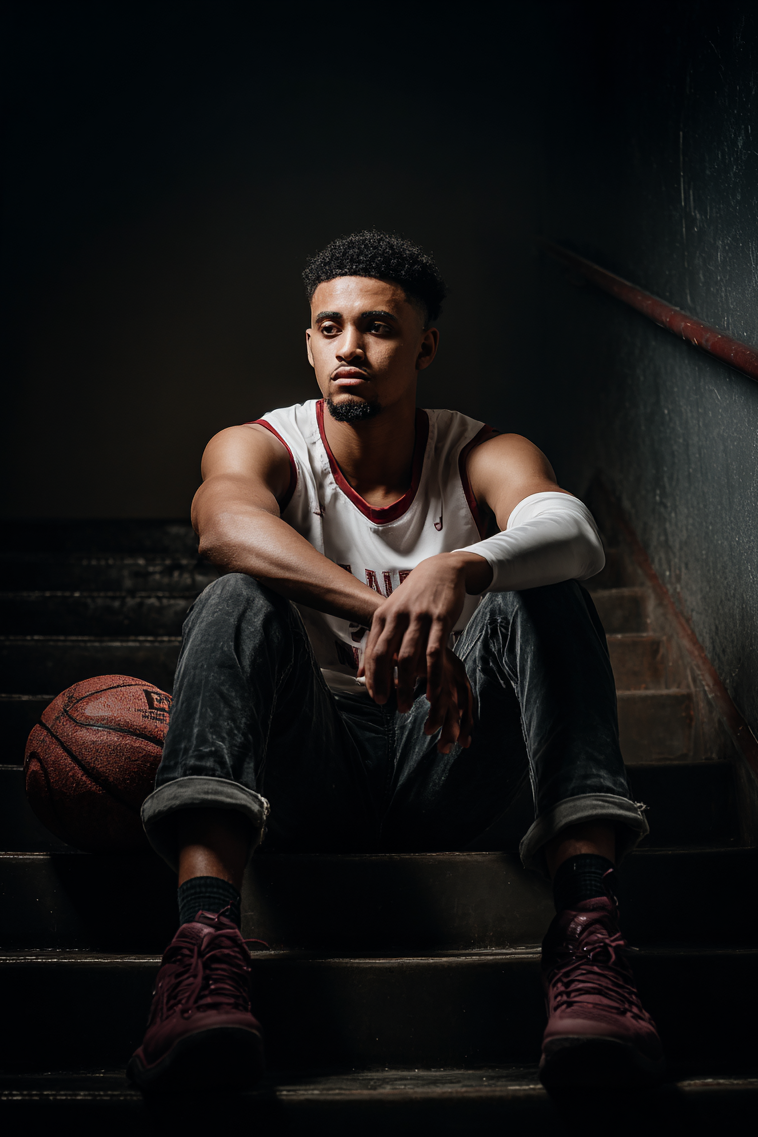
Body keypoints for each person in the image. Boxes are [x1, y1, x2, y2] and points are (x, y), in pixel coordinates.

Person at [126, 230, 663, 1093]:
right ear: (307, 342)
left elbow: (576, 534)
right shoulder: (264, 446)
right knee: (234, 598)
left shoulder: (480, 451)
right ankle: (203, 949)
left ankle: (591, 940)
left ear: (425, 343)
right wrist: (393, 609)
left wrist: (459, 568)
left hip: (445, 754)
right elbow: (221, 525)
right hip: (311, 765)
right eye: (328, 328)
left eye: (376, 327)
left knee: (546, 591)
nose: (350, 348)